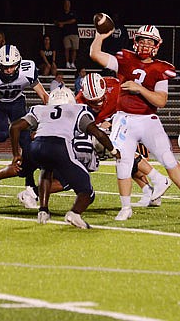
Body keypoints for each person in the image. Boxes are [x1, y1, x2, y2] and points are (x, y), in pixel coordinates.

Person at [90, 25, 180, 221]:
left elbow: (161, 101)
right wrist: (99, 35)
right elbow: (95, 54)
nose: (145, 44)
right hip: (124, 119)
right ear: (136, 41)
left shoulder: (161, 68)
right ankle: (125, 208)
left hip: (149, 120)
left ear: (157, 45)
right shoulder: (125, 58)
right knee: (122, 162)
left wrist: (139, 89)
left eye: (150, 41)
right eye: (142, 40)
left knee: (167, 157)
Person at [9, 86, 121, 228]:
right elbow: (98, 133)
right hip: (59, 146)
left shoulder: (40, 109)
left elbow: (14, 127)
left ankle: (43, 210)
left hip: (35, 147)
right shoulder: (77, 110)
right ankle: (75, 213)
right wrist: (113, 150)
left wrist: (15, 154)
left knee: (46, 170)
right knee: (87, 191)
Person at [77, 73, 172, 207]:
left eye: (100, 99)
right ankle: (148, 191)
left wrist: (113, 121)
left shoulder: (116, 86)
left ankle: (158, 179)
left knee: (121, 153)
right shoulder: (79, 101)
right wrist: (99, 126)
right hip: (102, 127)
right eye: (94, 102)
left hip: (125, 117)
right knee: (122, 159)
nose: (98, 104)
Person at [54, 0, 79, 69]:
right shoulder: (61, 14)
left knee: (74, 49)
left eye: (68, 4)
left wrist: (63, 23)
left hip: (74, 33)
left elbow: (73, 20)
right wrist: (59, 23)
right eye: (65, 4)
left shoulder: (73, 12)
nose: (67, 5)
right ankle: (67, 63)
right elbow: (57, 21)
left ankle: (73, 63)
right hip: (66, 34)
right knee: (67, 48)